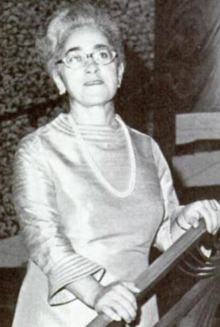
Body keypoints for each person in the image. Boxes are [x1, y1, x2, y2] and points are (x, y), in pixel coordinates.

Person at [12, 2, 220, 327]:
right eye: (76, 57)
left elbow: (164, 232)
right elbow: (45, 243)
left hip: (137, 309)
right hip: (68, 316)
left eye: (102, 54)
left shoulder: (146, 147)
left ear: (119, 71)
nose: (91, 66)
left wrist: (187, 218)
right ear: (59, 78)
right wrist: (98, 294)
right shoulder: (38, 150)